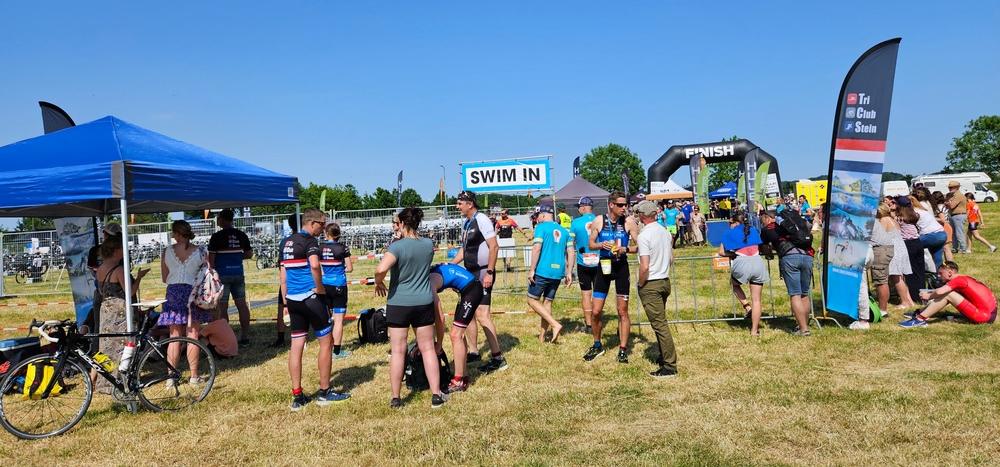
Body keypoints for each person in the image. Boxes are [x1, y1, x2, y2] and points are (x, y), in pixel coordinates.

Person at [375, 207, 447, 409]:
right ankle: (436, 394)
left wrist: (378, 282)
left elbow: (381, 268)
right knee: (428, 348)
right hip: (423, 301)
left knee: (398, 351)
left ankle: (396, 397)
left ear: (402, 224)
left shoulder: (396, 247)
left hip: (399, 303)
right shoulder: (428, 244)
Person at [280, 208, 350, 411]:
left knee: (296, 346)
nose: (323, 228)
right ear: (312, 223)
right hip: (311, 298)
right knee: (326, 343)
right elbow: (314, 266)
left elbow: (283, 276)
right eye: (322, 224)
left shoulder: (285, 242)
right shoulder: (310, 241)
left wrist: (285, 302)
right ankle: (325, 391)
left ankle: (297, 395)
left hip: (293, 299)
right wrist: (319, 289)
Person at [451, 191, 507, 373]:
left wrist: (489, 272)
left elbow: (494, 246)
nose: (457, 206)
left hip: (483, 272)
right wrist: (450, 265)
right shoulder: (467, 223)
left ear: (470, 204)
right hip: (470, 273)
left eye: (460, 203)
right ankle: (474, 351)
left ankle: (498, 358)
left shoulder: (481, 219)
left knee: (483, 314)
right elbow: (464, 249)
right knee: (469, 312)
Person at [585, 192, 640, 363]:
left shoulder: (629, 222)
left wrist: (626, 249)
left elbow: (640, 246)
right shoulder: (599, 220)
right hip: (604, 266)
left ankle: (623, 349)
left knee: (622, 311)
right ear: (611, 205)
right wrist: (601, 245)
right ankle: (597, 345)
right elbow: (591, 244)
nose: (624, 208)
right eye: (621, 205)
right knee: (595, 311)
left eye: (626, 205)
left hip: (621, 267)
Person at [158, 220, 213, 384]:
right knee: (193, 335)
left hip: (173, 293)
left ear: (176, 234)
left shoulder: (167, 251)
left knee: (174, 336)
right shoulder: (201, 251)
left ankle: (171, 378)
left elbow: (164, 278)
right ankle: (194, 376)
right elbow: (208, 274)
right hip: (193, 292)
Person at [92, 234, 148, 390]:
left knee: (106, 345)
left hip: (106, 309)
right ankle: (121, 378)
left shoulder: (100, 269)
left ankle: (105, 381)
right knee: (124, 345)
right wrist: (139, 277)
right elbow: (130, 292)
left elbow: (101, 290)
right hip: (120, 311)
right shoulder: (119, 270)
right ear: (116, 251)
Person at [633, 201, 679, 378]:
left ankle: (669, 366)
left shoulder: (644, 235)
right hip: (664, 280)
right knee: (661, 322)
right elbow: (671, 258)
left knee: (660, 325)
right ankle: (664, 355)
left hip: (651, 283)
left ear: (642, 216)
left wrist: (640, 283)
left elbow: (644, 266)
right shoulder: (664, 231)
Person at [429, 263, 483, 393]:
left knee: (455, 335)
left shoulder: (429, 283)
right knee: (458, 334)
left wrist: (439, 344)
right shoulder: (430, 274)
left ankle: (458, 380)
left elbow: (440, 318)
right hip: (466, 290)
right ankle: (463, 375)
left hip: (472, 290)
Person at [759, 210, 812, 335]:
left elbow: (764, 247)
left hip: (789, 258)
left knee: (795, 294)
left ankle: (803, 329)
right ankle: (803, 324)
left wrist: (769, 253)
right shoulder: (796, 224)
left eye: (762, 221)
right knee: (804, 294)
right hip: (807, 256)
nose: (762, 224)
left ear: (767, 218)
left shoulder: (768, 228)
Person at [526, 204, 573, 343]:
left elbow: (537, 248)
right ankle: (542, 337)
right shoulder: (565, 231)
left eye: (538, 216)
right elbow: (571, 252)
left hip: (543, 270)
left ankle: (554, 324)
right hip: (558, 272)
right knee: (547, 302)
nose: (537, 218)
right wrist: (569, 272)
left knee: (531, 300)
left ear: (543, 215)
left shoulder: (540, 228)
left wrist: (532, 269)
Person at [899, 261, 997, 327]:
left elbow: (940, 292)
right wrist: (931, 292)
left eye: (940, 273)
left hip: (984, 317)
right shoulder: (963, 278)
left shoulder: (958, 280)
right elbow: (941, 290)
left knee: (948, 294)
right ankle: (921, 312)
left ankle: (920, 320)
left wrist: (928, 296)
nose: (938, 276)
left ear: (950, 273)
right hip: (989, 315)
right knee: (948, 292)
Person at [208, 209, 254, 347]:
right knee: (242, 305)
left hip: (222, 275)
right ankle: (245, 336)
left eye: (218, 218)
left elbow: (211, 260)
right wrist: (236, 257)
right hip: (238, 273)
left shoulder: (216, 237)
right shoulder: (241, 234)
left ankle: (226, 338)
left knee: (223, 308)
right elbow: (249, 254)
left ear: (222, 219)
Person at [718, 213, 769, 336]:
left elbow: (721, 252)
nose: (729, 225)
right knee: (757, 300)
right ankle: (754, 330)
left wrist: (732, 254)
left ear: (736, 222)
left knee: (734, 284)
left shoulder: (729, 233)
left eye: (730, 223)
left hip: (741, 262)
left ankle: (747, 306)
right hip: (757, 262)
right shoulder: (753, 230)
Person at [854, 206, 896, 329]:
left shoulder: (864, 219)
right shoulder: (871, 218)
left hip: (880, 249)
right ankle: (882, 308)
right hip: (885, 247)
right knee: (882, 280)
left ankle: (883, 310)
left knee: (880, 280)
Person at [321, 222, 353, 359]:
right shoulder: (342, 247)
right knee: (338, 321)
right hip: (339, 285)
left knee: (327, 319)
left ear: (327, 234)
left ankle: (326, 348)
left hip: (324, 285)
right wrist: (340, 269)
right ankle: (337, 352)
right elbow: (350, 268)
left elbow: (318, 266)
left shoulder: (320, 248)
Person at [569, 197, 599, 333]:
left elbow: (570, 242)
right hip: (599, 261)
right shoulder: (600, 220)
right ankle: (597, 321)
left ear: (583, 207)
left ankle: (589, 325)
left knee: (586, 294)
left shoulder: (576, 222)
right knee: (599, 294)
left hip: (583, 262)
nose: (578, 210)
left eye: (579, 207)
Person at [271, 213, 298, 348]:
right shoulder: (306, 240)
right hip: (300, 280)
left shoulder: (284, 242)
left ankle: (280, 338)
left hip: (287, 279)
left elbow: (280, 264)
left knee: (282, 308)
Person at [883, 197, 915, 310]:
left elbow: (880, 236)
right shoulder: (893, 219)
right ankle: (909, 301)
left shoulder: (885, 220)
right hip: (901, 248)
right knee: (901, 277)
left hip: (894, 250)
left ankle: (905, 302)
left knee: (896, 277)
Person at [895, 196, 925, 304]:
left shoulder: (899, 218)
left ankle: (914, 295)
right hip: (917, 242)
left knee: (910, 271)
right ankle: (922, 293)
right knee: (920, 270)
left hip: (907, 244)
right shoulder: (914, 215)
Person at [912, 195, 946, 269]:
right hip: (942, 234)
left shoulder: (914, 212)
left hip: (931, 235)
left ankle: (918, 269)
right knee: (938, 258)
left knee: (911, 245)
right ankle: (940, 273)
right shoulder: (922, 210)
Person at [944, 180, 969, 254]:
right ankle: (955, 248)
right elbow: (949, 205)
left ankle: (963, 248)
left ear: (957, 187)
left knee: (959, 233)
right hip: (953, 215)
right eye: (949, 187)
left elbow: (951, 206)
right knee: (953, 233)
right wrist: (947, 203)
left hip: (958, 215)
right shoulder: (953, 195)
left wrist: (946, 203)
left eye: (951, 187)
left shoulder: (958, 195)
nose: (949, 188)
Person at [930, 191, 955, 263]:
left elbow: (942, 219)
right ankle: (949, 264)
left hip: (944, 227)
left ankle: (950, 264)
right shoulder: (943, 206)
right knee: (946, 248)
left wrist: (931, 218)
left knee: (946, 248)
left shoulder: (939, 207)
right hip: (946, 226)